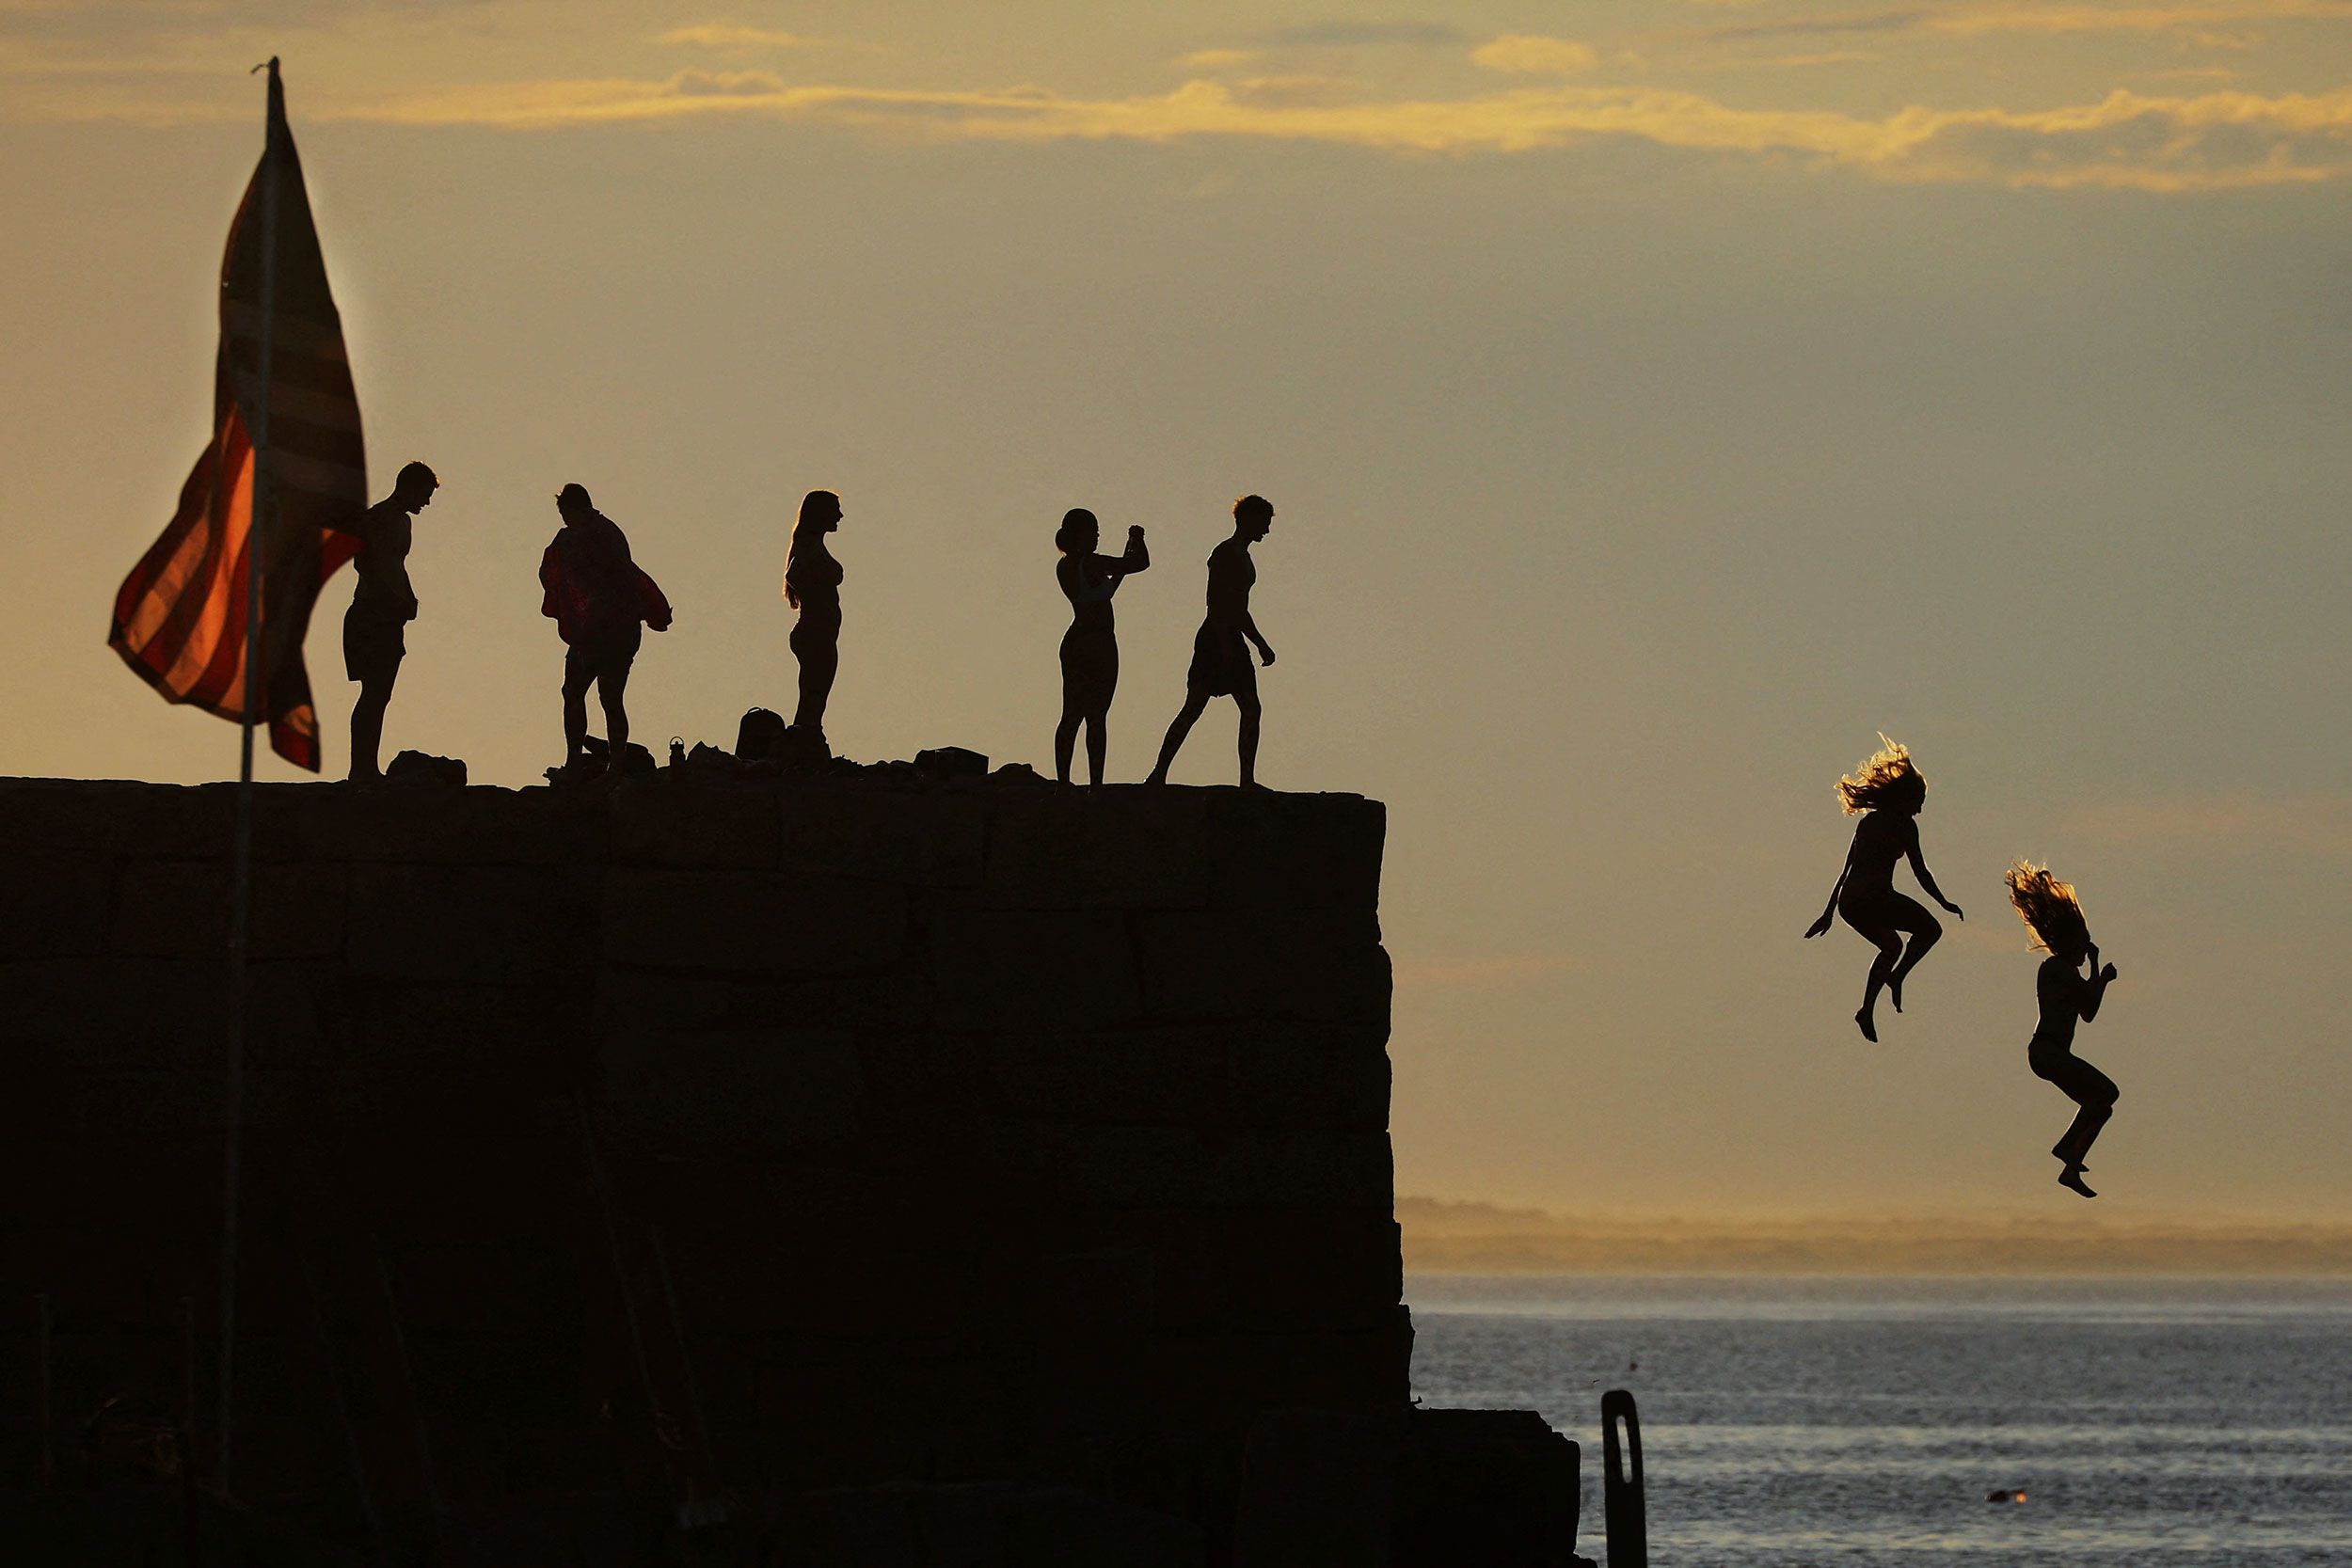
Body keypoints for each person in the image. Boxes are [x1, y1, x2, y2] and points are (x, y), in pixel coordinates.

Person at [1803, 736, 1963, 1041]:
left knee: (1892, 947)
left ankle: (1866, 1010)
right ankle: (1897, 976)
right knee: (1931, 930)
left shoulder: (1869, 822)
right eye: (1918, 804)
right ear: (1904, 799)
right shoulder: (1904, 827)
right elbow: (1921, 872)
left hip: (1851, 904)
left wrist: (1830, 912)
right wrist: (1944, 903)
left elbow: (1845, 870)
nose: (1919, 811)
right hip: (1874, 898)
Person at [2005, 862, 2120, 1198]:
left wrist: (2098, 973)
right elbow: (2089, 1000)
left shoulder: (2066, 972)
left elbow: (2088, 1013)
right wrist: (2100, 974)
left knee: (2102, 1101)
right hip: (2047, 1051)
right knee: (2106, 1094)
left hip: (2053, 1053)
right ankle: (2069, 1151)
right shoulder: (2056, 969)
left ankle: (2070, 1162)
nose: (2087, 950)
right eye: (2084, 944)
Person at [1145, 495, 1277, 788]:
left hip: (1232, 634)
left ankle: (1247, 780)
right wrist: (1227, 647)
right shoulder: (1225, 553)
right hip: (1216, 637)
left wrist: (1259, 642)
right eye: (1264, 522)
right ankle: (1158, 773)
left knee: (1251, 708)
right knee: (1193, 707)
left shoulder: (1243, 556)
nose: (1267, 530)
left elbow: (1240, 609)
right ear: (1249, 518)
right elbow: (1217, 604)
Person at [540, 483, 670, 777]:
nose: (565, 521)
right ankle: (606, 763)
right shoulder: (597, 533)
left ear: (575, 509)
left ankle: (598, 764)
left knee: (594, 695)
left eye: (566, 514)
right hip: (605, 630)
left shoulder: (592, 536)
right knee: (595, 696)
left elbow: (617, 578)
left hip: (606, 631)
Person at [340, 461, 437, 782]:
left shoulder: (401, 522)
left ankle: (367, 767)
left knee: (380, 694)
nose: (426, 502)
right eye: (424, 494)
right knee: (373, 693)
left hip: (389, 617)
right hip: (371, 614)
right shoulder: (377, 518)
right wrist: (392, 599)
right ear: (409, 487)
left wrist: (408, 599)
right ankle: (361, 768)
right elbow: (367, 565)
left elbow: (396, 567)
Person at [1054, 508, 1150, 785]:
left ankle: (1063, 782)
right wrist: (1138, 537)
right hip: (1098, 644)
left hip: (1076, 641)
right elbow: (1139, 563)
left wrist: (1125, 557)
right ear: (1079, 536)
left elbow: (1117, 574)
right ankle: (1095, 784)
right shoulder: (1092, 564)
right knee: (1096, 716)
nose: (1097, 536)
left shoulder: (1065, 566)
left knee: (1071, 714)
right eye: (1093, 532)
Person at [783, 489, 844, 736]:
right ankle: (805, 742)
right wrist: (814, 587)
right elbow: (793, 575)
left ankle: (808, 740)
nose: (840, 516)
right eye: (835, 510)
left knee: (814, 695)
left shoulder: (812, 545)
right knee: (813, 694)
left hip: (820, 633)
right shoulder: (809, 546)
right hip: (814, 632)